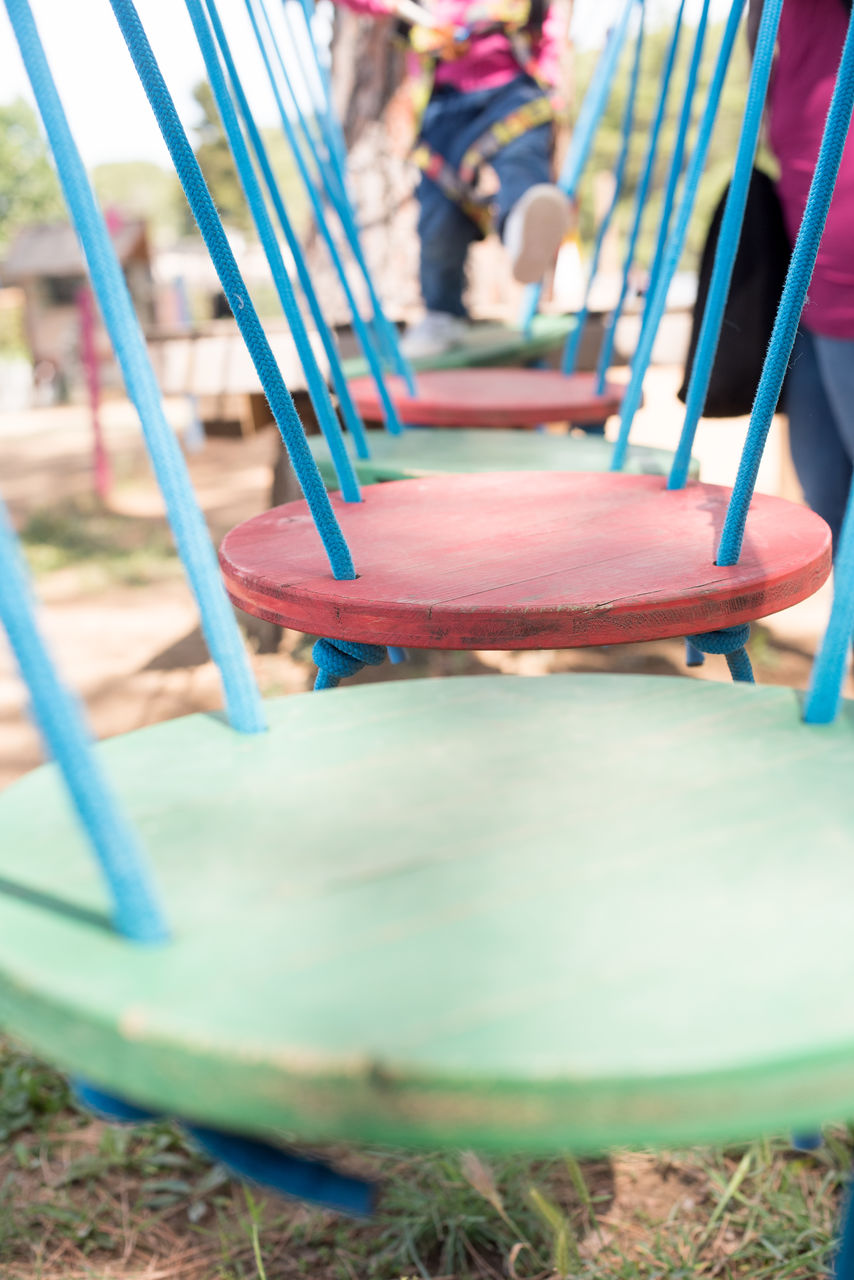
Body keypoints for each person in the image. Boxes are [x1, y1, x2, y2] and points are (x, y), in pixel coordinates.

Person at [333, 0, 572, 357]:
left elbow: (548, 29)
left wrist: (553, 71)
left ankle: (523, 228)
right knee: (438, 221)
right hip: (445, 103)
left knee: (521, 167)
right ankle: (441, 313)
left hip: (514, 90)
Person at [750, 0, 854, 553]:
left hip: (843, 223)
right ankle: (842, 634)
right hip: (802, 217)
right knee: (824, 496)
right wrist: (768, 108)